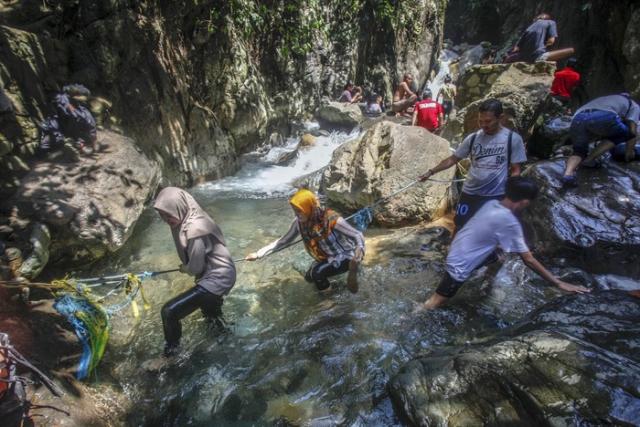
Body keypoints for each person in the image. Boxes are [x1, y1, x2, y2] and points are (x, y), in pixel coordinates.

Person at [422, 177, 590, 309]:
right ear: (525, 202)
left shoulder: (491, 204)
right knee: (434, 303)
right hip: (459, 266)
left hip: (457, 250)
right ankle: (413, 315)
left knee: (501, 255)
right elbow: (528, 260)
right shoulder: (509, 222)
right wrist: (559, 283)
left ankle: (487, 283)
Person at [419, 99, 527, 233]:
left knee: (488, 232)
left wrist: (511, 197)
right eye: (480, 121)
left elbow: (516, 171)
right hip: (469, 193)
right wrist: (430, 172)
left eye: (488, 121)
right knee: (460, 227)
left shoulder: (512, 139)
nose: (483, 125)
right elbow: (453, 159)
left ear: (501, 118)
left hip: (495, 195)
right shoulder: (473, 138)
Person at [154, 187, 236, 356]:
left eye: (169, 214)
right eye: (162, 215)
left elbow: (195, 268)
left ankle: (171, 355)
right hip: (220, 272)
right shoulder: (189, 217)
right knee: (210, 314)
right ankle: (225, 340)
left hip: (218, 277)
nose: (166, 219)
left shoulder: (194, 229)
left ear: (180, 208)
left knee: (169, 311)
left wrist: (185, 268)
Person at [245, 189, 364, 293]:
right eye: (294, 211)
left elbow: (357, 235)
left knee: (317, 273)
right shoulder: (299, 223)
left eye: (299, 211)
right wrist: (258, 254)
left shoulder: (331, 219)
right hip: (326, 257)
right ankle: (337, 288)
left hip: (346, 256)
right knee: (309, 278)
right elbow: (284, 241)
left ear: (308, 208)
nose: (296, 214)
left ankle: (329, 300)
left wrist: (358, 254)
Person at [561, 93, 640, 187]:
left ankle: (568, 175)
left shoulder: (605, 99)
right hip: (603, 116)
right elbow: (632, 132)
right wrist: (629, 152)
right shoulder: (633, 105)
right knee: (624, 133)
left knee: (579, 151)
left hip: (577, 118)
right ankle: (589, 159)